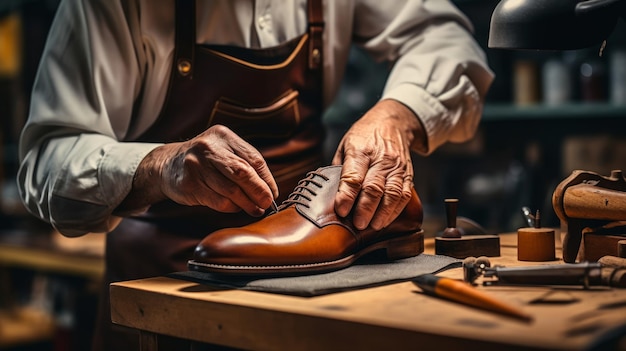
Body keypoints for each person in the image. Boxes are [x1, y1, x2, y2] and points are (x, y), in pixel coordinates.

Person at [17, 0, 494, 349]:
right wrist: (160, 165)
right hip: (160, 279)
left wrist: (397, 114)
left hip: (309, 279)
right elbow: (46, 157)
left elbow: (444, 37)